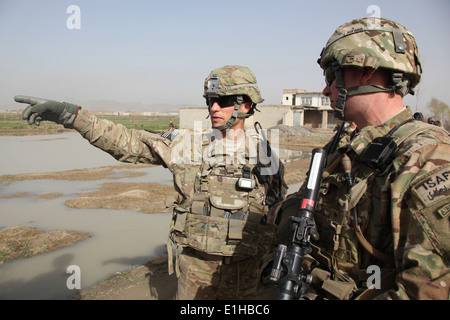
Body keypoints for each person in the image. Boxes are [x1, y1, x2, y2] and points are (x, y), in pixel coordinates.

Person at [15, 65, 287, 299]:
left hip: (248, 274)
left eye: (224, 100)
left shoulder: (266, 155)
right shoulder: (187, 146)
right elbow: (126, 142)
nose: (214, 107)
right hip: (195, 273)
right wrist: (71, 115)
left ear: (246, 105)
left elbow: (280, 212)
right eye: (210, 100)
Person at [276, 17, 449, 300]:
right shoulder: (346, 148)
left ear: (366, 71)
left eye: (332, 76)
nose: (326, 89)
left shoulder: (428, 157)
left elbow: (427, 292)